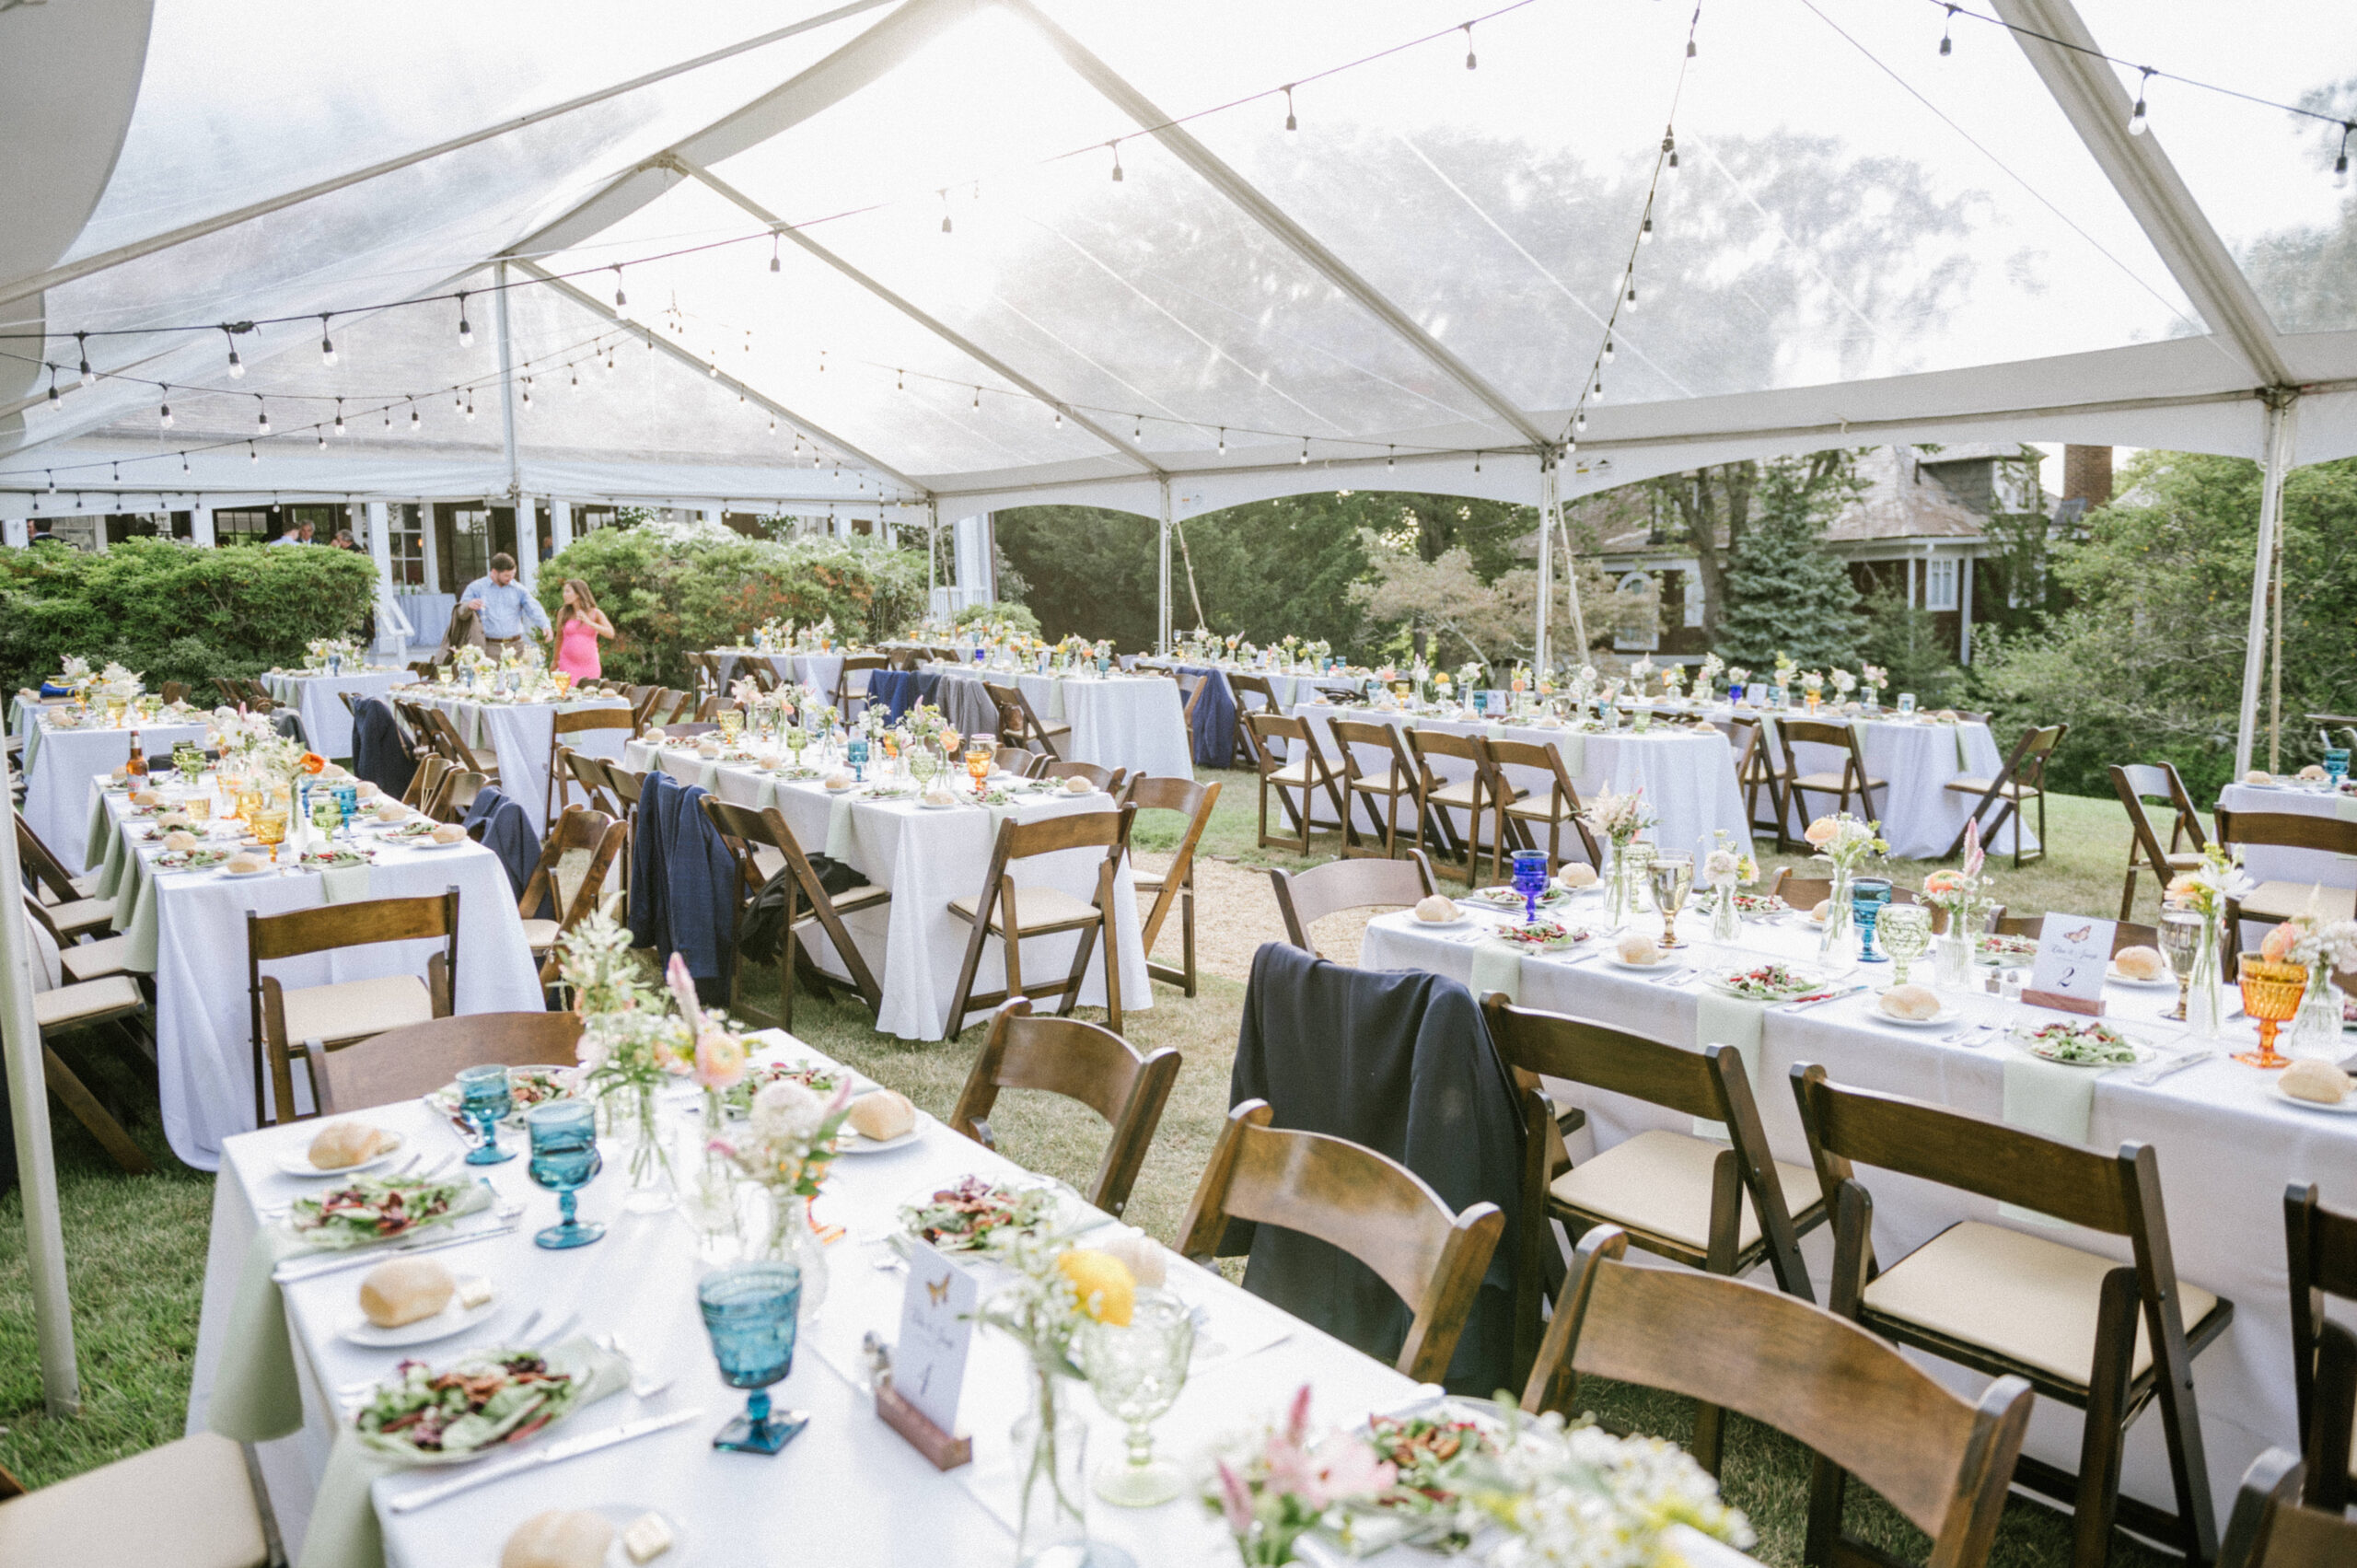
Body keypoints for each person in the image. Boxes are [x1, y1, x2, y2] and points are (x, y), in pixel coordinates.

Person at [456, 552, 550, 656]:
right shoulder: (476, 588)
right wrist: (468, 605)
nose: (510, 578)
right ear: (494, 572)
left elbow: (534, 608)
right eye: (507, 575)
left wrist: (545, 625)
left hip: (516, 647)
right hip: (488, 647)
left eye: (513, 575)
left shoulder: (519, 589)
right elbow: (460, 612)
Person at [553, 577, 617, 682]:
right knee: (570, 695)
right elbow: (559, 637)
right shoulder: (563, 612)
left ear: (578, 593)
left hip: (590, 664)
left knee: (588, 694)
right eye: (564, 591)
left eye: (568, 591)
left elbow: (611, 633)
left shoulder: (595, 613)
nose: (564, 594)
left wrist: (589, 622)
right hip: (567, 663)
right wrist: (555, 660)